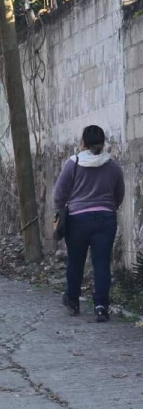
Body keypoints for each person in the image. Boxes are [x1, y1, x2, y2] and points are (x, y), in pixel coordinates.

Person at [54, 125, 124, 322]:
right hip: (105, 220)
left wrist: (61, 209)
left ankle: (73, 301)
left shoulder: (73, 164)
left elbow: (59, 195)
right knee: (101, 263)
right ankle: (101, 307)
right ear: (103, 143)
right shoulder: (113, 166)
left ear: (82, 143)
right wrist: (109, 208)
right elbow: (119, 194)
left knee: (75, 262)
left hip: (77, 221)